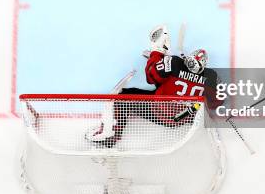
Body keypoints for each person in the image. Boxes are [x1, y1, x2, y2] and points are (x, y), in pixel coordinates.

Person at [86, 25, 219, 146]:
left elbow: (151, 76)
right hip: (181, 120)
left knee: (122, 98)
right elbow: (215, 104)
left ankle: (112, 136)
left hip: (158, 112)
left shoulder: (175, 63)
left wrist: (156, 54)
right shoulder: (211, 76)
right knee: (183, 101)